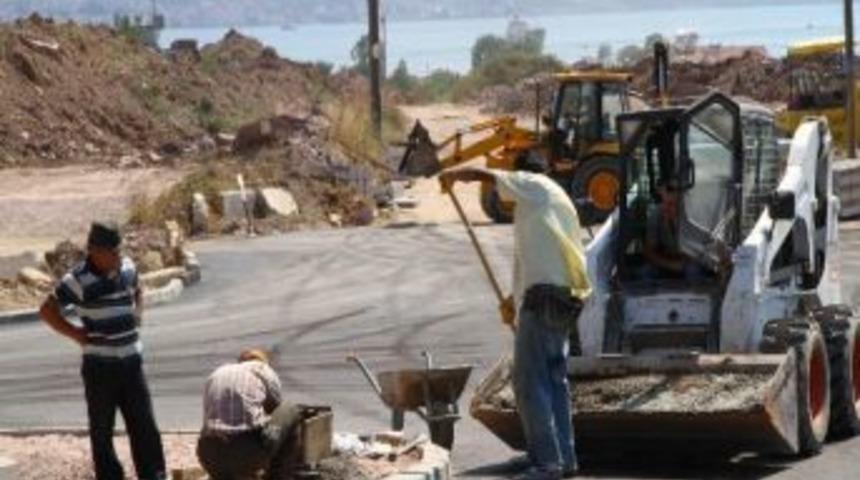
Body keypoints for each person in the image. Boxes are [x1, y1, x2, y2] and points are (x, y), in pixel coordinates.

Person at [440, 153, 591, 480]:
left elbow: (487, 175)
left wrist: (456, 173)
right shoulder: (546, 205)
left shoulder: (534, 185)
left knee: (529, 381)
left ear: (521, 174)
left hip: (546, 298)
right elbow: (531, 261)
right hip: (561, 297)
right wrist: (513, 299)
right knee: (553, 380)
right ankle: (561, 458)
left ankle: (546, 464)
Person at [39, 221, 166, 480]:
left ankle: (154, 475)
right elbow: (46, 310)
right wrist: (75, 333)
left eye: (120, 250)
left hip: (132, 363)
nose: (119, 256)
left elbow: (138, 290)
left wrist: (137, 316)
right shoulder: (77, 280)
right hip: (100, 368)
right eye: (114, 252)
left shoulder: (128, 268)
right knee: (102, 431)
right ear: (96, 251)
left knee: (145, 426)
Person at [197, 349, 303, 480]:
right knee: (289, 409)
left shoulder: (218, 373)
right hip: (246, 455)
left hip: (209, 457)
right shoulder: (263, 370)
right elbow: (275, 412)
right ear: (263, 362)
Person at [642, 182, 697, 278]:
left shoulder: (692, 217)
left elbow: (699, 252)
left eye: (671, 204)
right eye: (663, 202)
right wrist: (670, 264)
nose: (666, 208)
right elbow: (649, 251)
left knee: (693, 270)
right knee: (645, 272)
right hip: (665, 260)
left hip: (687, 261)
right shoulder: (656, 215)